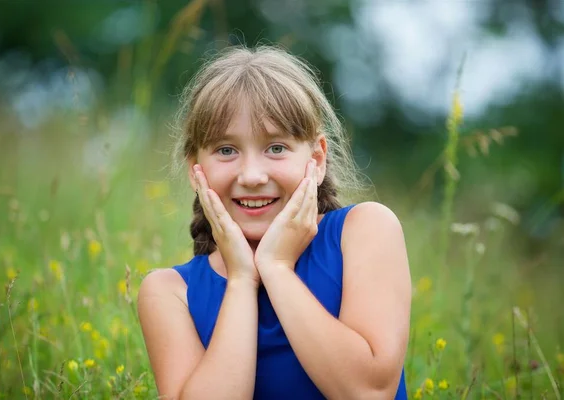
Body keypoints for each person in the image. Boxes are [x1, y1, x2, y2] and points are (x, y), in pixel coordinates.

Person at [138, 45, 411, 399]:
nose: (251, 175)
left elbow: (368, 392)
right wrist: (240, 280)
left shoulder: (366, 231)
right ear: (196, 169)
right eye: (226, 150)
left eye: (276, 147)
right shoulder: (169, 293)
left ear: (317, 158)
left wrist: (277, 267)